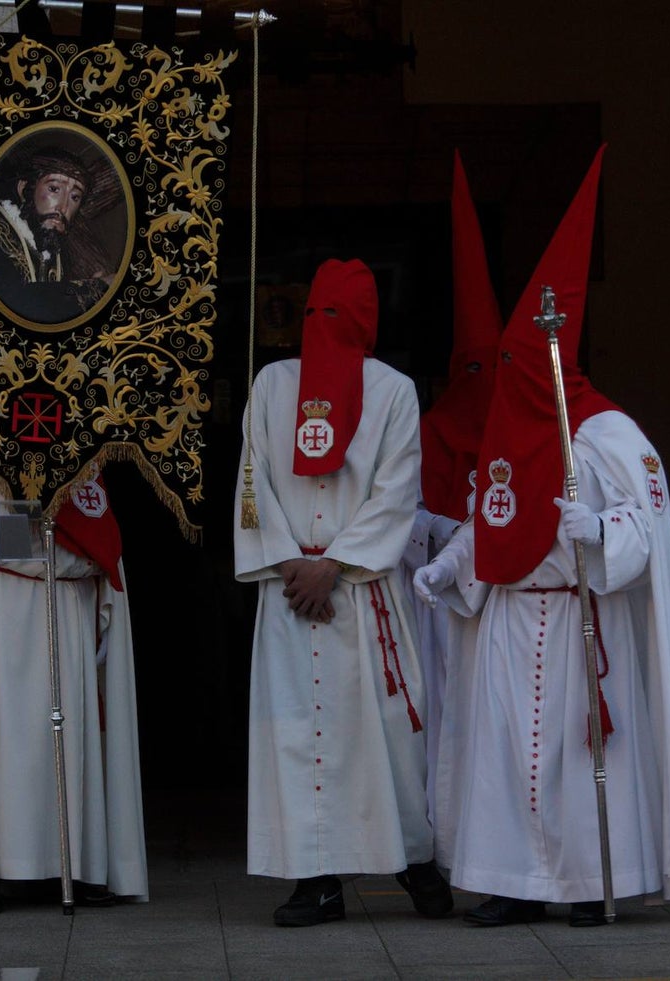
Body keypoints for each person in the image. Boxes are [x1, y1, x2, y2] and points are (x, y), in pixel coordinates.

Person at [414, 146, 670, 928]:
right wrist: (450, 567)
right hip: (512, 616)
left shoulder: (610, 432)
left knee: (584, 761)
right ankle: (514, 881)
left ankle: (589, 884)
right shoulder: (506, 437)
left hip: (586, 611)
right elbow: (491, 516)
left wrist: (604, 529)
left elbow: (648, 526)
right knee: (511, 756)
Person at [233, 257, 452, 927]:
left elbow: (396, 491)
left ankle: (415, 861)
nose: (322, 327)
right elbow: (252, 481)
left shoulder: (392, 391)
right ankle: (315, 880)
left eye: (336, 314)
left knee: (385, 739)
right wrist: (288, 559)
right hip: (291, 589)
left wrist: (338, 563)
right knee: (296, 738)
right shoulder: (272, 383)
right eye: (313, 313)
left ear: (362, 320)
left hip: (358, 591)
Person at [0, 445, 149, 910]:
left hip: (64, 605)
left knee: (67, 740)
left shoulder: (78, 447)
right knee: (0, 743)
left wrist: (65, 550)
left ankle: (79, 866)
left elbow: (94, 534)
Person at [402, 150, 501, 864]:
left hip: (504, 600)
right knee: (437, 716)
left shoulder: (515, 437)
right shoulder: (427, 426)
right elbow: (402, 508)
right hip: (433, 601)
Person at [0, 146, 115, 324]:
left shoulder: (56, 250)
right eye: (54, 189)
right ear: (24, 188)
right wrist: (98, 287)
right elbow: (19, 302)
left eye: (74, 197)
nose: (63, 207)